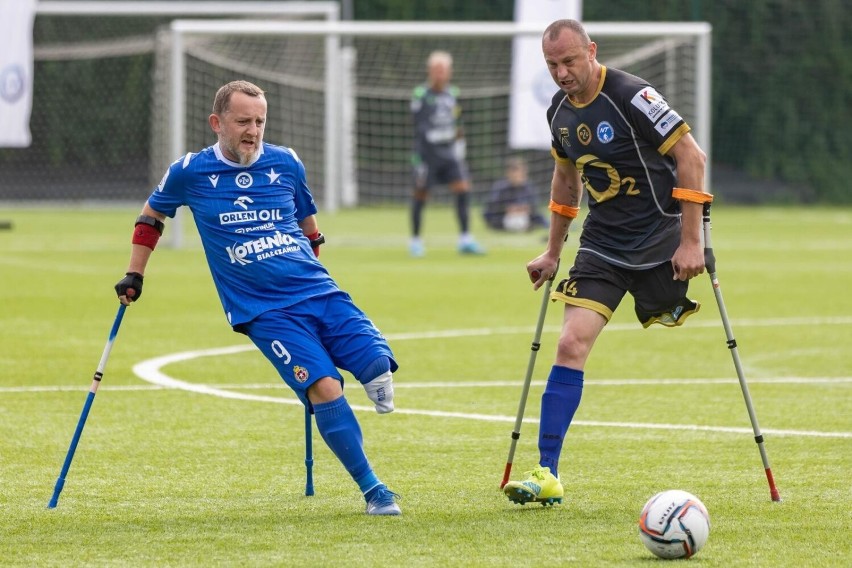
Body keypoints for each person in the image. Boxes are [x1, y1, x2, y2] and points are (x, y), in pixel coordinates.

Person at [114, 80, 402, 516]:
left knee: (378, 366)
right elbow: (151, 216)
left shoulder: (286, 163)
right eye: (243, 121)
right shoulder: (189, 171)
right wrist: (135, 274)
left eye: (260, 121)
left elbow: (308, 221)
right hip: (262, 310)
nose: (253, 130)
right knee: (324, 387)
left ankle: (367, 375)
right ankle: (375, 490)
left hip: (318, 291)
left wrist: (310, 254)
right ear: (217, 122)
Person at [503, 19, 711, 506]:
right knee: (570, 343)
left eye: (570, 61)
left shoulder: (633, 96)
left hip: (663, 238)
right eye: (552, 65)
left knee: (666, 306)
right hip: (602, 244)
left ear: (591, 51)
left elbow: (691, 156)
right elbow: (566, 182)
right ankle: (546, 473)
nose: (561, 73)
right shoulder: (557, 112)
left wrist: (691, 241)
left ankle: (668, 289)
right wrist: (553, 251)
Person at [409, 50, 485, 257]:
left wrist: (460, 144)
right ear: (430, 71)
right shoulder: (421, 94)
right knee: (420, 195)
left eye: (443, 70)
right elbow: (420, 127)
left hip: (449, 154)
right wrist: (438, 137)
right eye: (436, 70)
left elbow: (458, 121)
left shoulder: (453, 94)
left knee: (463, 189)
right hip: (427, 155)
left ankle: (465, 239)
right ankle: (415, 241)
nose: (440, 74)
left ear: (449, 72)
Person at [483, 156, 549, 232]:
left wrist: (525, 208)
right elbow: (491, 209)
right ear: (508, 173)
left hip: (524, 216)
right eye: (515, 174)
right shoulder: (500, 187)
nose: (518, 176)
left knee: (540, 218)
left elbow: (535, 207)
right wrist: (507, 209)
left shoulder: (528, 187)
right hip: (503, 217)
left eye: (521, 173)